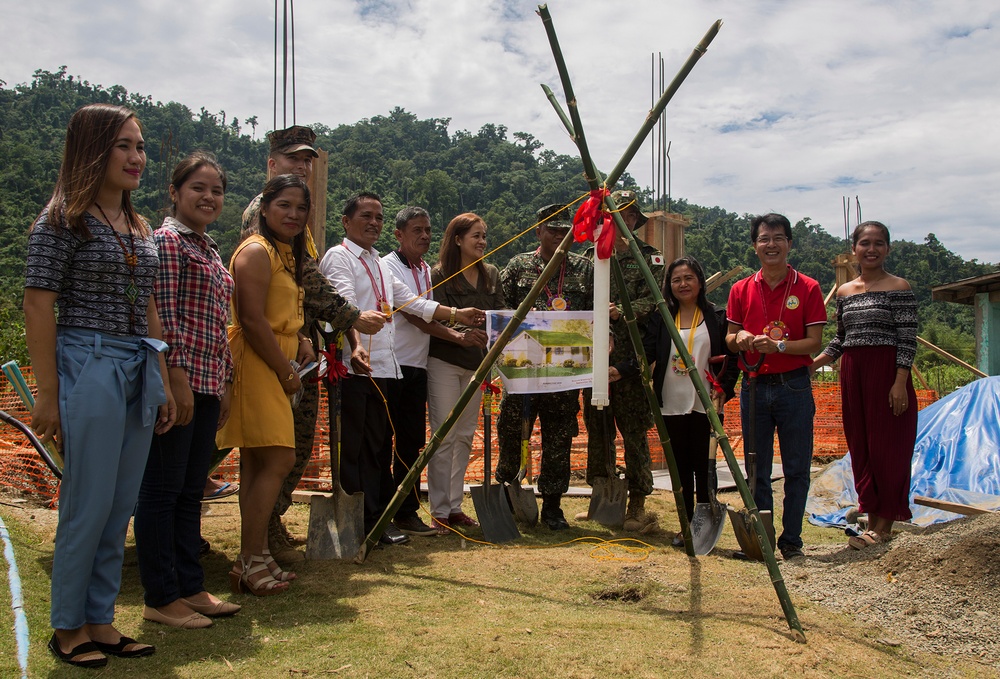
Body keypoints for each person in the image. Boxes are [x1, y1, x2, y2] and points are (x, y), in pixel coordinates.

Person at [24, 103, 175, 667]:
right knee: (86, 503)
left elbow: (151, 306)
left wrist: (159, 375)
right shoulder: (61, 221)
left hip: (139, 364)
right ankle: (66, 627)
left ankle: (100, 619)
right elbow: (38, 306)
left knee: (119, 503)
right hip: (86, 362)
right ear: (92, 150)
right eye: (123, 146)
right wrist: (47, 394)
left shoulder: (139, 227)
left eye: (139, 147)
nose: (137, 158)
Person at [241, 125, 379, 565]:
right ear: (271, 164)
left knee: (291, 447)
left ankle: (268, 528)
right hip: (269, 352)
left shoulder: (299, 220)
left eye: (307, 160)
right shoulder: (263, 218)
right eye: (292, 158)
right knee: (276, 450)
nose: (301, 166)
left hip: (295, 345)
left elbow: (293, 290)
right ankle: (258, 540)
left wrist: (305, 333)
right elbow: (304, 283)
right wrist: (351, 317)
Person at [319, 192, 484, 543]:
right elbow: (345, 306)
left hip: (386, 368)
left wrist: (455, 314)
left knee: (379, 446)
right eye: (366, 216)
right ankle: (357, 523)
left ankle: (378, 520)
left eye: (378, 216)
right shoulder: (339, 256)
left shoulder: (377, 262)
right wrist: (357, 344)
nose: (373, 222)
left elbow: (412, 303)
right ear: (346, 222)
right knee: (357, 448)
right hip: (355, 368)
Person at [134, 152, 240, 629]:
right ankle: (161, 596)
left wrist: (226, 382)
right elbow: (165, 316)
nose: (209, 197)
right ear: (174, 192)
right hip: (177, 384)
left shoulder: (210, 249)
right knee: (161, 489)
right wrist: (175, 381)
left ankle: (191, 586)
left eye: (216, 190)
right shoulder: (166, 243)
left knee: (189, 491)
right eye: (198, 187)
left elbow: (218, 324)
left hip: (207, 382)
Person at [217, 174, 316, 595]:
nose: (292, 215)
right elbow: (252, 320)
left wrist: (302, 339)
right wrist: (285, 369)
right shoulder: (256, 252)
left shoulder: (284, 253)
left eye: (300, 208)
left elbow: (280, 312)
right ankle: (249, 557)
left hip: (277, 355)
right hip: (260, 362)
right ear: (264, 208)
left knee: (258, 463)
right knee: (278, 458)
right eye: (284, 206)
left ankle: (254, 560)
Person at [725, 213, 827, 560]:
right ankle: (762, 540)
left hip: (794, 386)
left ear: (789, 244)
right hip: (753, 386)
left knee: (797, 466)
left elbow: (814, 342)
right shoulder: (740, 289)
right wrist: (740, 337)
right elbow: (729, 336)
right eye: (764, 239)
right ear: (755, 246)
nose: (771, 245)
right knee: (757, 466)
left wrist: (780, 346)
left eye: (778, 238)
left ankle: (792, 541)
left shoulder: (808, 288)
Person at [810, 221, 918, 548]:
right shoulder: (844, 292)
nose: (871, 249)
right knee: (862, 447)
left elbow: (908, 339)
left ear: (888, 249)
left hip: (887, 374)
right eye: (865, 243)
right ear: (854, 248)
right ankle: (871, 520)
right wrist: (810, 365)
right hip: (853, 374)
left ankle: (883, 528)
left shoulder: (898, 287)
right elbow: (841, 340)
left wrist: (900, 381)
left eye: (879, 243)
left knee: (889, 449)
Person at [382, 207, 484, 537]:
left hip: (419, 365)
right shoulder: (388, 266)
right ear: (398, 234)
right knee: (390, 442)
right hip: (391, 364)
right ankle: (384, 511)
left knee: (413, 443)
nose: (423, 236)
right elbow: (414, 311)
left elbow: (428, 317)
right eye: (416, 230)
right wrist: (458, 332)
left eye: (427, 230)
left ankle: (420, 509)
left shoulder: (426, 270)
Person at [495, 204, 594, 530]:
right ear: (538, 231)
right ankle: (508, 496)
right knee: (510, 430)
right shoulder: (518, 265)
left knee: (559, 437)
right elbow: (501, 310)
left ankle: (553, 506)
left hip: (564, 374)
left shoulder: (584, 269)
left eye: (565, 229)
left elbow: (595, 315)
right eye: (552, 229)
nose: (558, 234)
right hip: (522, 370)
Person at [579, 189, 664, 532]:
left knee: (633, 434)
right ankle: (601, 498)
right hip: (594, 359)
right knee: (598, 432)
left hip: (633, 361)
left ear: (634, 220)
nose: (618, 219)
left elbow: (657, 302)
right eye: (611, 213)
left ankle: (638, 503)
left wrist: (623, 312)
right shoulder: (590, 256)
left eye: (626, 214)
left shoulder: (649, 258)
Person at [643, 256, 738, 546]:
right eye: (676, 280)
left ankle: (704, 525)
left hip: (705, 404)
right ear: (668, 286)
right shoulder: (660, 318)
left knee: (704, 466)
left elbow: (731, 360)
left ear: (700, 281)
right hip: (670, 404)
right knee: (680, 469)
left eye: (688, 278)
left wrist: (724, 389)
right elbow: (646, 354)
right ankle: (686, 526)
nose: (682, 284)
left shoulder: (717, 317)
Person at [426, 213, 503, 534]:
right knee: (443, 433)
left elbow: (500, 313)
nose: (482, 241)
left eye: (484, 235)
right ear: (457, 239)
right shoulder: (439, 275)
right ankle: (439, 510)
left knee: (465, 435)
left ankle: (455, 507)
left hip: (478, 364)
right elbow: (434, 318)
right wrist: (463, 330)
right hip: (444, 361)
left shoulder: (491, 275)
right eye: (476, 236)